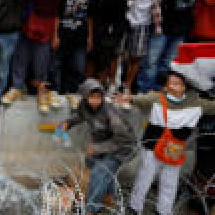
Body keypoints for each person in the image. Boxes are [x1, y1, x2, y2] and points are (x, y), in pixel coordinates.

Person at [118, 70, 215, 215]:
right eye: (172, 83)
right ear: (165, 86)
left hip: (175, 148)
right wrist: (127, 98)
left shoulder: (196, 103)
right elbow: (141, 99)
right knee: (144, 178)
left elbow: (212, 107)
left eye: (179, 84)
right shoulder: (157, 98)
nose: (175, 87)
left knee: (170, 181)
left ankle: (164, 211)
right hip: (152, 147)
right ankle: (135, 207)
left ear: (185, 87)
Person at [61, 78, 135, 214]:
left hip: (122, 148)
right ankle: (109, 197)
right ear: (85, 96)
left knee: (99, 173)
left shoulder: (111, 113)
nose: (95, 101)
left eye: (98, 97)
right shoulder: (84, 106)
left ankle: (92, 209)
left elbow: (125, 139)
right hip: (103, 144)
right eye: (91, 97)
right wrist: (66, 124)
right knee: (91, 164)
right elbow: (80, 116)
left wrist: (97, 148)